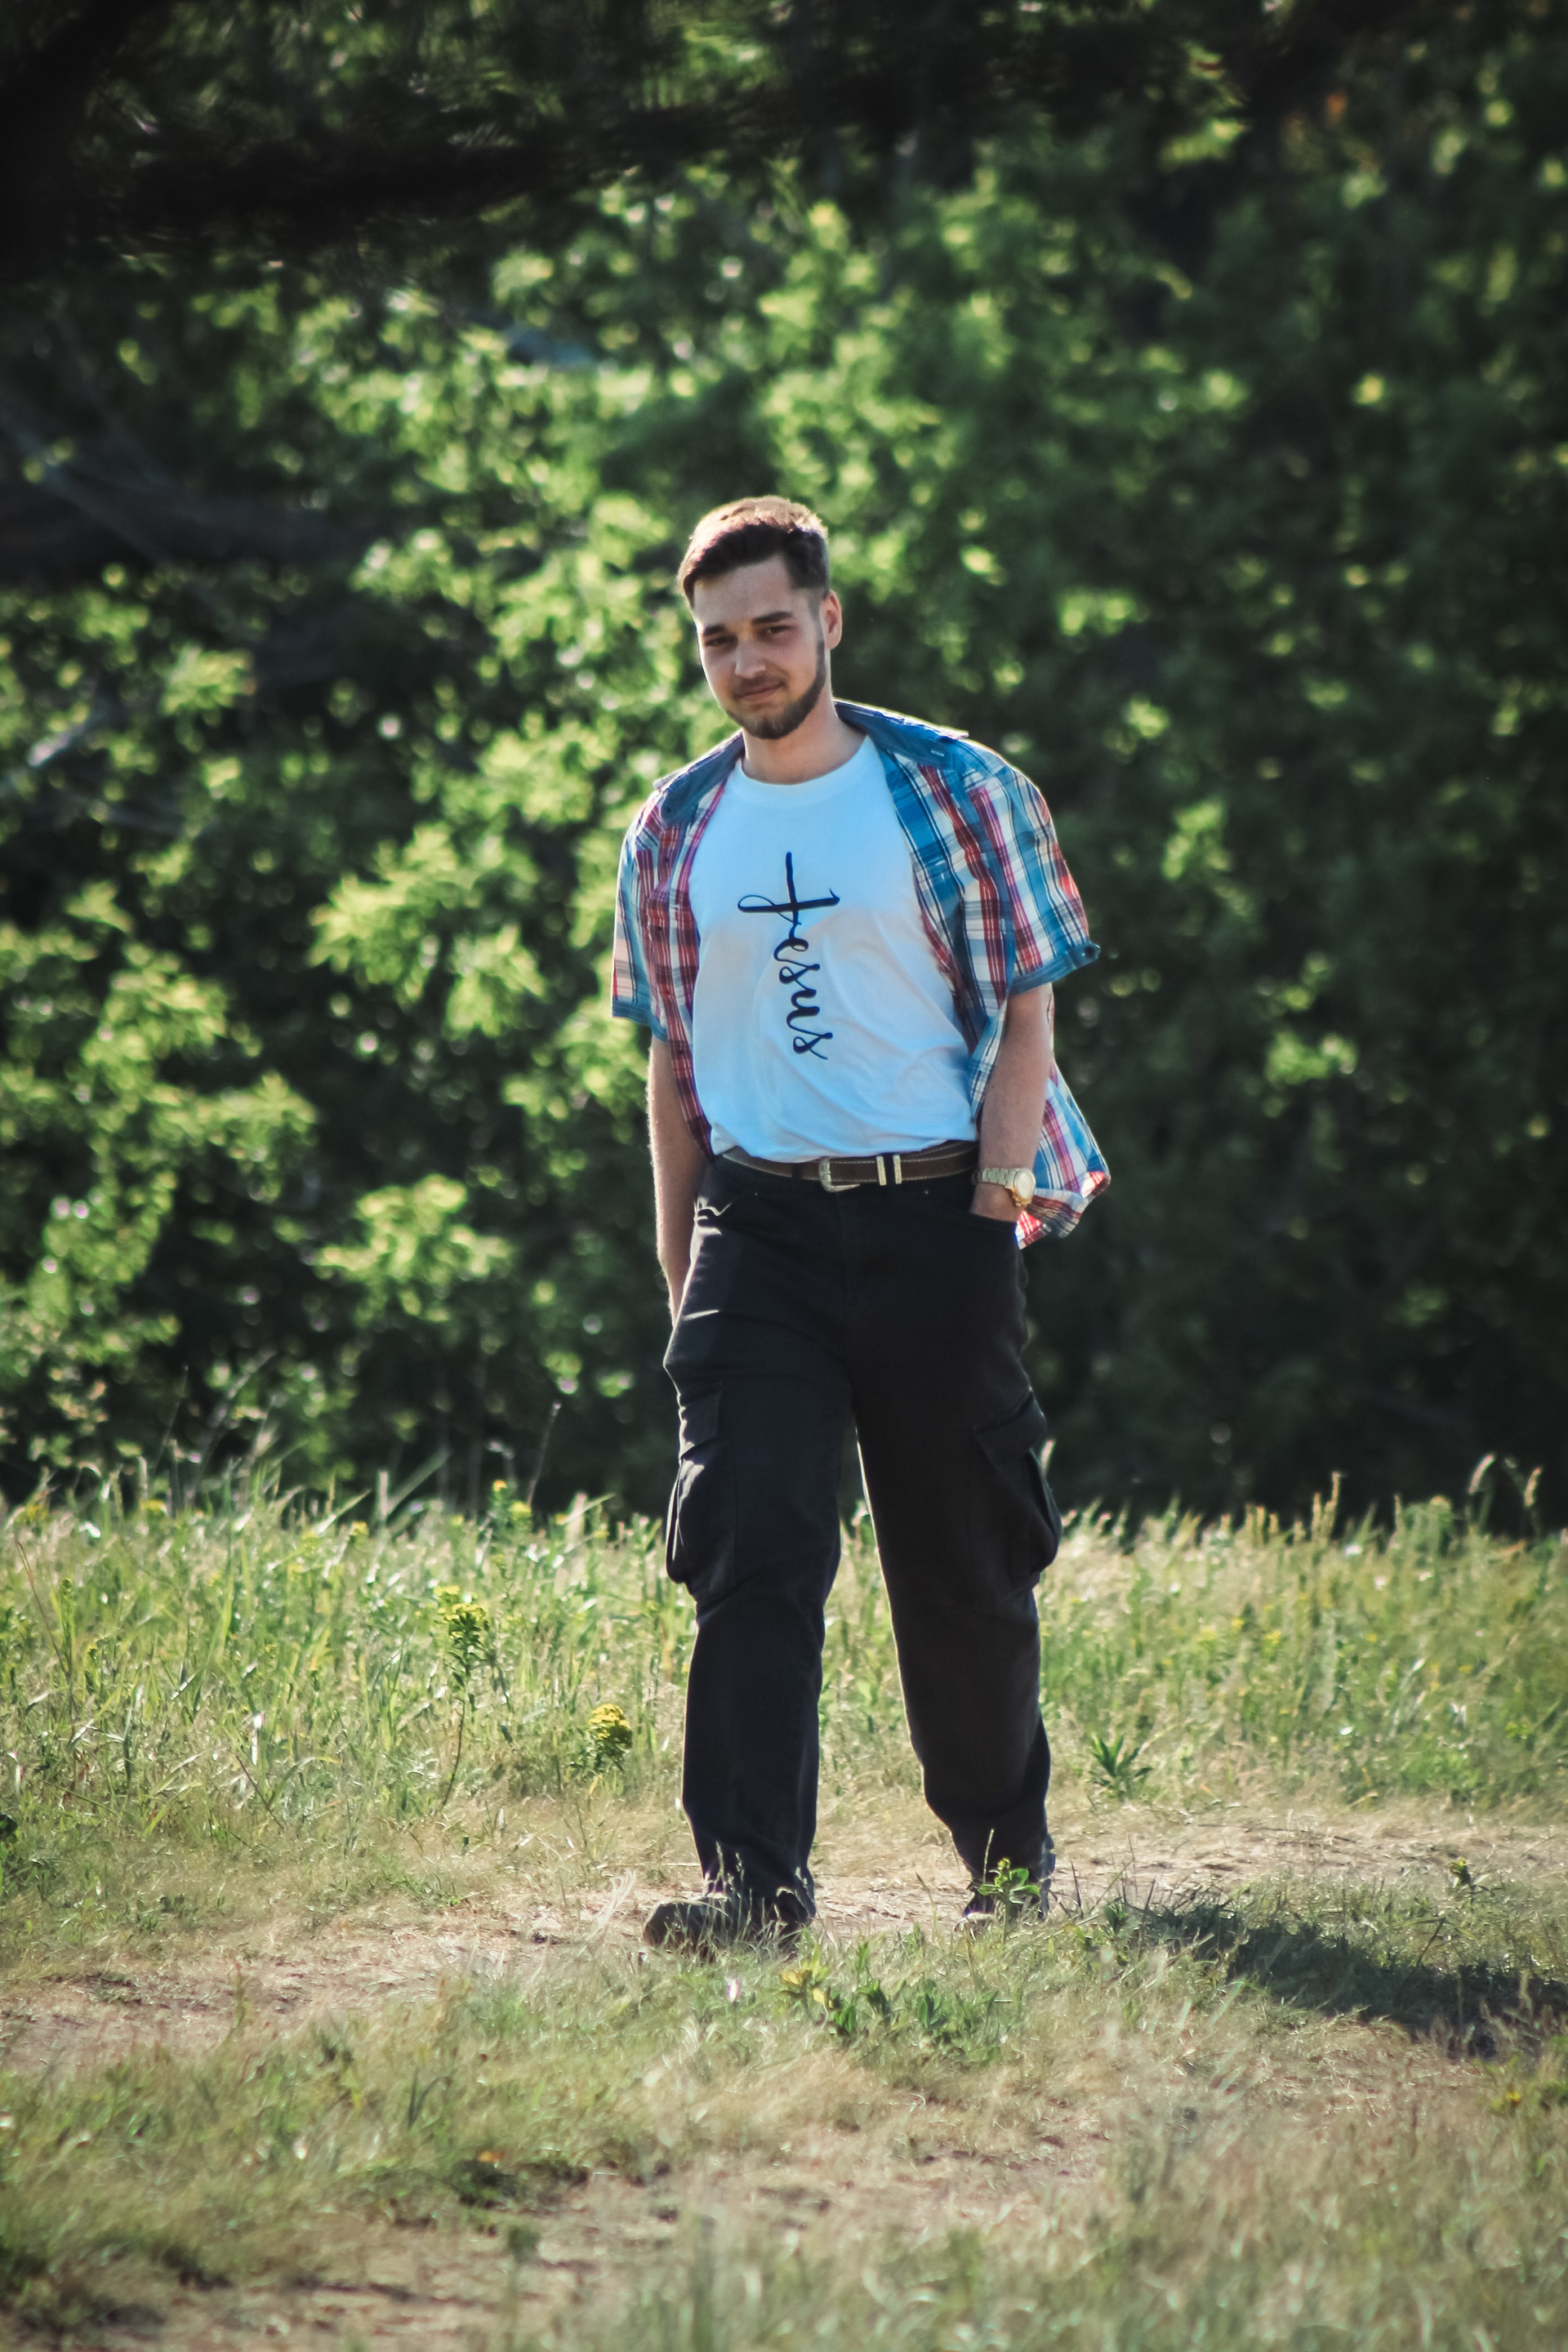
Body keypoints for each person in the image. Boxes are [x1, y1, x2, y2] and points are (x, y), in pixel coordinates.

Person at [611, 496, 1107, 1953]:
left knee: (961, 1566)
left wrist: (996, 1202)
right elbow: (673, 1060)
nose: (747, 661)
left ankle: (1007, 1865)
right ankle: (754, 1887)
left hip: (938, 1212)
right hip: (758, 1230)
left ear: (828, 621)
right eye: (718, 641)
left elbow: (1025, 1011)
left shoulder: (956, 791)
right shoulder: (675, 829)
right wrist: (681, 1258)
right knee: (749, 1546)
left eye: (772, 627)